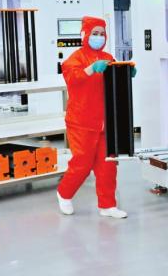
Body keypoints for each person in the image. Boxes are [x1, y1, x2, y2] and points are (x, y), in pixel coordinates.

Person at [56, 16, 131, 219]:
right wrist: (91, 69)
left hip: (105, 121)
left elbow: (115, 82)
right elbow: (73, 79)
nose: (98, 37)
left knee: (108, 165)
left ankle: (107, 205)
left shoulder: (108, 57)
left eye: (102, 34)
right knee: (82, 163)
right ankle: (64, 193)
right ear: (86, 34)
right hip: (81, 121)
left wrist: (126, 72)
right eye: (95, 33)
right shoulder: (75, 59)